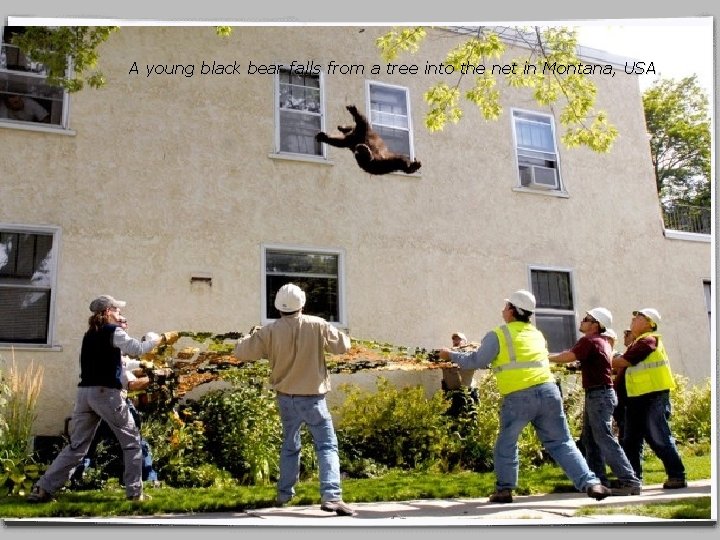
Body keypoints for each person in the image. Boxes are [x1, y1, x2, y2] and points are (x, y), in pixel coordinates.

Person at [438, 289, 611, 504]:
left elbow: (477, 361)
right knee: (562, 442)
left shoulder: (499, 334)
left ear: (512, 310)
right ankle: (591, 483)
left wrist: (449, 355)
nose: (503, 310)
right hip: (548, 392)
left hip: (519, 396)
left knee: (507, 444)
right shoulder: (537, 334)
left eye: (506, 306)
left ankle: (504, 490)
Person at [27, 295, 175, 503]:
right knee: (132, 442)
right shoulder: (113, 331)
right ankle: (135, 494)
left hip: (84, 394)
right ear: (107, 312)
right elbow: (137, 349)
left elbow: (119, 362)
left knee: (77, 447)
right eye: (117, 310)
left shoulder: (90, 334)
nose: (120, 314)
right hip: (106, 394)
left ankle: (43, 489)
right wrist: (157, 340)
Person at [233, 283, 356, 516]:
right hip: (313, 398)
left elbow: (242, 352)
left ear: (278, 306)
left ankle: (284, 494)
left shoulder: (269, 331)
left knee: (290, 444)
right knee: (327, 445)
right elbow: (342, 346)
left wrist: (248, 336)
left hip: (286, 398)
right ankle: (331, 496)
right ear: (303, 303)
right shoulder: (317, 324)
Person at [549, 308, 641, 496]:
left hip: (599, 395)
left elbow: (568, 356)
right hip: (598, 394)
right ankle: (599, 481)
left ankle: (629, 481)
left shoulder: (589, 340)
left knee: (604, 438)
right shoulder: (601, 342)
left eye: (586, 319)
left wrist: (544, 358)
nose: (582, 321)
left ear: (596, 324)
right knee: (590, 440)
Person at [612, 308, 687, 489]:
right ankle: (632, 479)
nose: (633, 319)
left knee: (659, 436)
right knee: (630, 440)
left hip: (653, 396)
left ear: (649, 323)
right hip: (637, 398)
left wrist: (598, 359)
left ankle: (677, 476)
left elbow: (624, 362)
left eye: (638, 317)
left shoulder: (649, 340)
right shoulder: (637, 342)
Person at [441, 332, 479, 416]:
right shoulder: (448, 355)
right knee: (451, 420)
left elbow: (470, 359)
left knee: (468, 417)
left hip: (467, 392)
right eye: (454, 339)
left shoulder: (469, 354)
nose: (456, 341)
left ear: (464, 342)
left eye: (458, 339)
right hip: (451, 393)